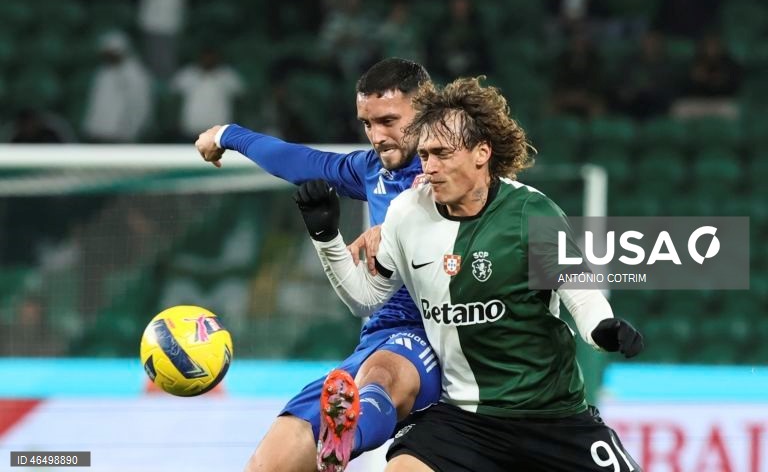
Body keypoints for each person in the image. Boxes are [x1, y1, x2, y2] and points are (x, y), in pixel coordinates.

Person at [294, 77, 644, 471]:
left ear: (482, 152)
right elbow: (366, 298)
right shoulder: (407, 213)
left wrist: (603, 330)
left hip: (553, 419)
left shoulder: (531, 212)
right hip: (464, 419)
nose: (430, 168)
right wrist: (327, 238)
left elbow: (579, 293)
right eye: (425, 155)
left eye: (443, 154)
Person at [194, 58, 442, 472]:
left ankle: (348, 436)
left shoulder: (465, 172)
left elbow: (550, 252)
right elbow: (301, 162)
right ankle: (340, 436)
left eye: (389, 121)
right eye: (367, 123)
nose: (377, 137)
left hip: (442, 338)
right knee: (272, 460)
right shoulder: (371, 170)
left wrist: (409, 222)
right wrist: (228, 134)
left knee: (382, 375)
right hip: (382, 332)